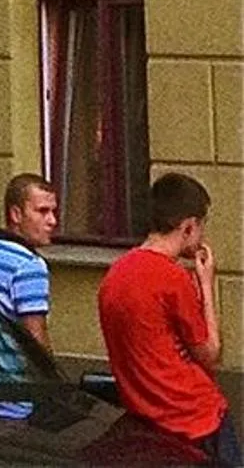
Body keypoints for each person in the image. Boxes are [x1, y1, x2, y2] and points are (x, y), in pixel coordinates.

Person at [99, 172, 240, 466]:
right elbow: (210, 352)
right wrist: (205, 284)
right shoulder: (172, 278)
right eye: (201, 226)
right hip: (196, 419)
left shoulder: (114, 276)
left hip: (149, 424)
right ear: (188, 226)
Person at [0, 173, 59, 373]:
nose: (52, 221)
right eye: (42, 211)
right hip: (16, 394)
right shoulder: (29, 266)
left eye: (53, 211)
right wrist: (55, 383)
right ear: (16, 214)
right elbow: (36, 342)